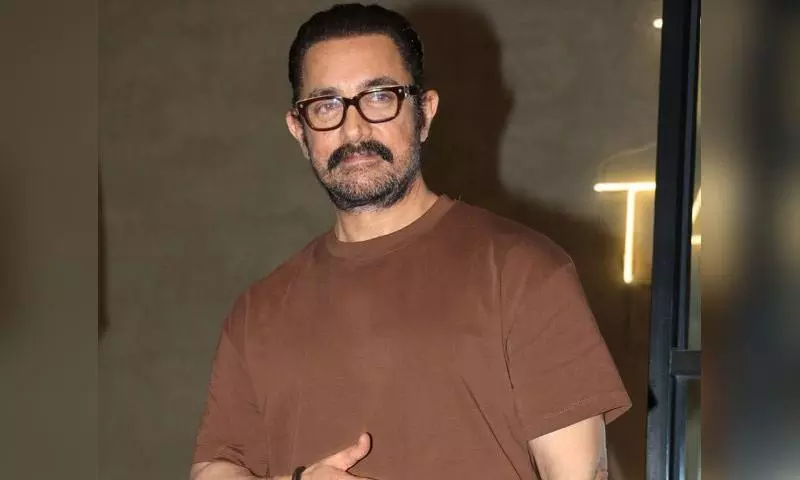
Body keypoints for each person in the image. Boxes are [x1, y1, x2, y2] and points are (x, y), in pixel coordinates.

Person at [190, 4, 631, 480]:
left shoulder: (524, 271)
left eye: (380, 97)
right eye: (327, 106)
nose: (354, 129)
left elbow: (578, 473)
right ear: (300, 130)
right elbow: (214, 468)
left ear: (424, 113)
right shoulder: (257, 312)